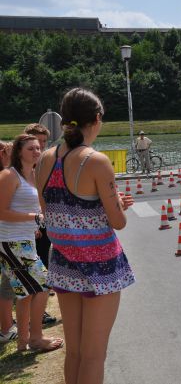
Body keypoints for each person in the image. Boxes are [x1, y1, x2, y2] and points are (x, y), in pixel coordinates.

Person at [36, 88, 134, 383]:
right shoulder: (96, 160)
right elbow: (118, 222)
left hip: (64, 263)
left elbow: (51, 210)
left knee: (75, 353)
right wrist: (117, 205)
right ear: (97, 119)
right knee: (94, 355)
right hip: (100, 266)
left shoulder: (45, 158)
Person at [0, 134, 63, 353]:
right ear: (18, 152)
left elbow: (34, 205)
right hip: (10, 242)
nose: (37, 151)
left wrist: (35, 224)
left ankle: (23, 341)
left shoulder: (33, 175)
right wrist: (33, 218)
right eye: (31, 149)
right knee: (44, 284)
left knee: (25, 293)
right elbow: (1, 212)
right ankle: (36, 338)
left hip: (24, 240)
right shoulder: (9, 175)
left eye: (38, 148)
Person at [24, 124, 57, 326]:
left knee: (43, 259)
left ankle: (38, 310)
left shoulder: (43, 162)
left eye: (44, 143)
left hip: (42, 220)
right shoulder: (20, 168)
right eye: (37, 143)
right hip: (28, 225)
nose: (41, 147)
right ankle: (35, 315)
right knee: (33, 269)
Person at [0, 140, 17, 343]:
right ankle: (6, 328)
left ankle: (7, 326)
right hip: (6, 237)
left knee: (8, 283)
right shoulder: (5, 176)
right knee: (7, 284)